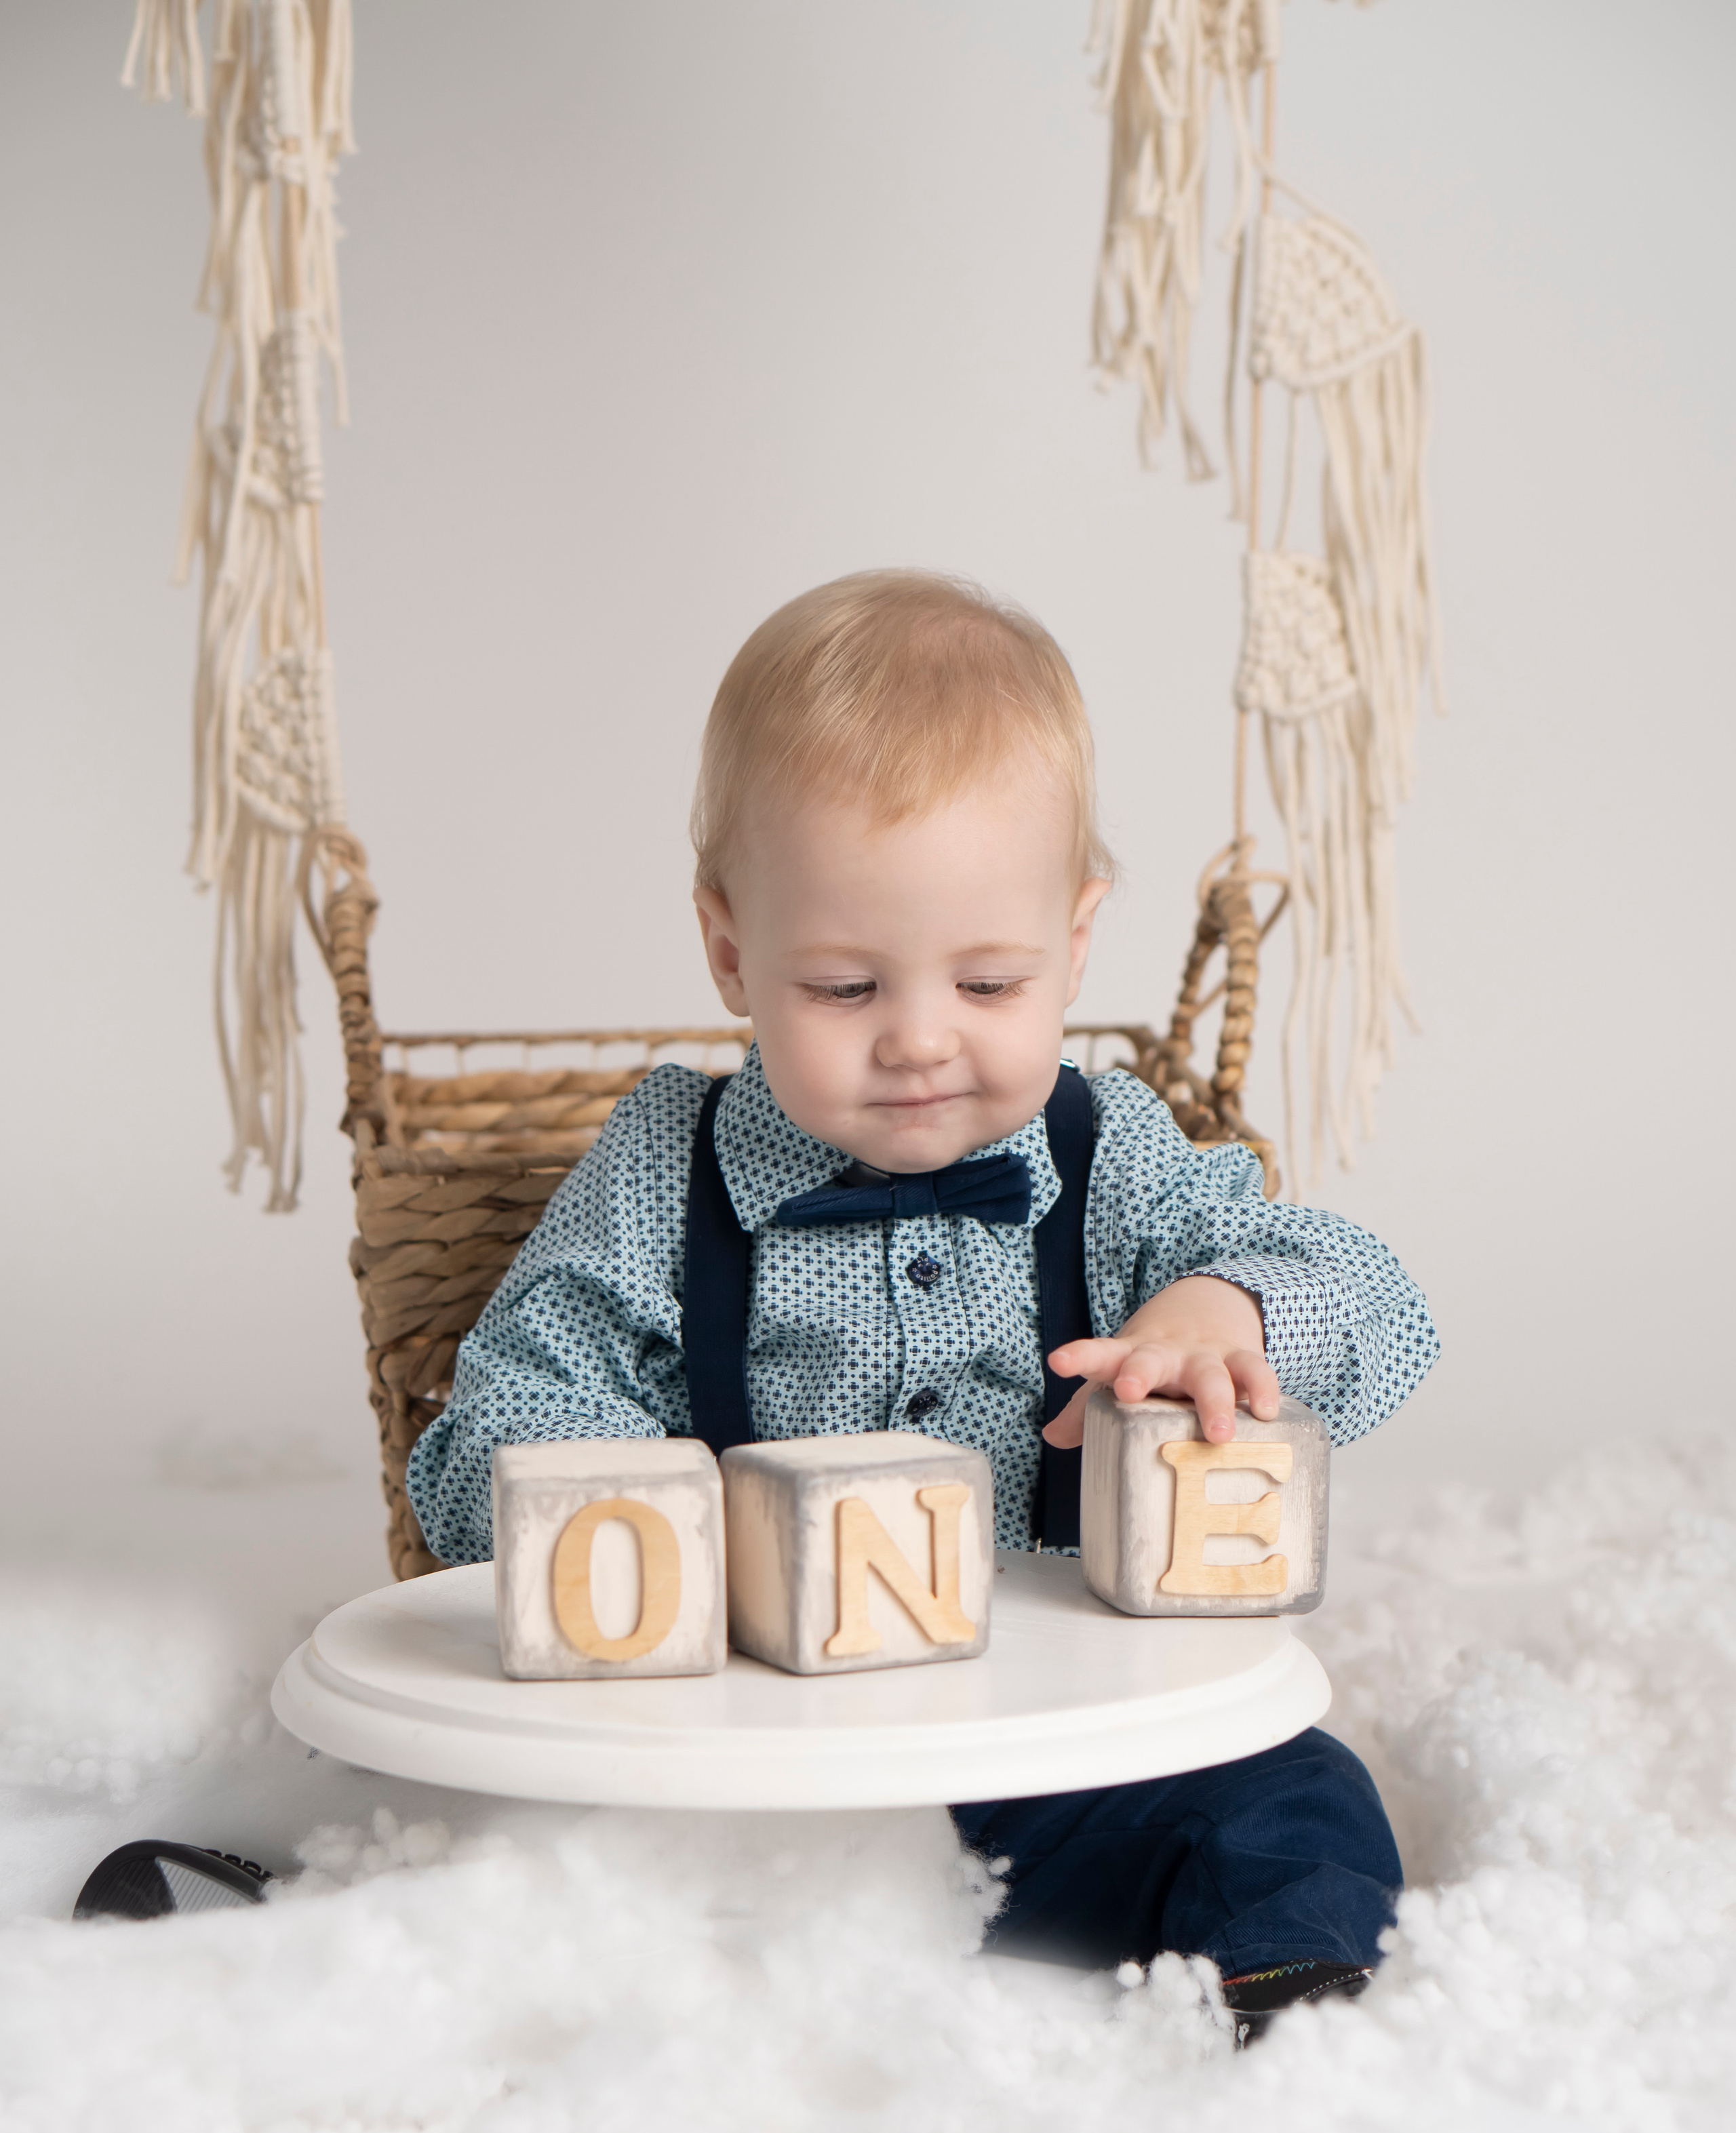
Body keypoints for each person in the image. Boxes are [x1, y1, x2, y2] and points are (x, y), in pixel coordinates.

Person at [407, 568, 1438, 2036]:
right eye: (840, 987)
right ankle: (331, 1931)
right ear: (728, 952)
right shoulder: (662, 1167)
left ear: (1075, 945)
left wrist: (1223, 1306)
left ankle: (1278, 1984)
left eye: (988, 980)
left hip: (1073, 1762)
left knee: (1293, 1793)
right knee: (506, 1815)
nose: (917, 1040)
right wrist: (616, 1505)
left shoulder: (1110, 1149)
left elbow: (1373, 1297)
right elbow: (498, 1415)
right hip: (748, 1778)